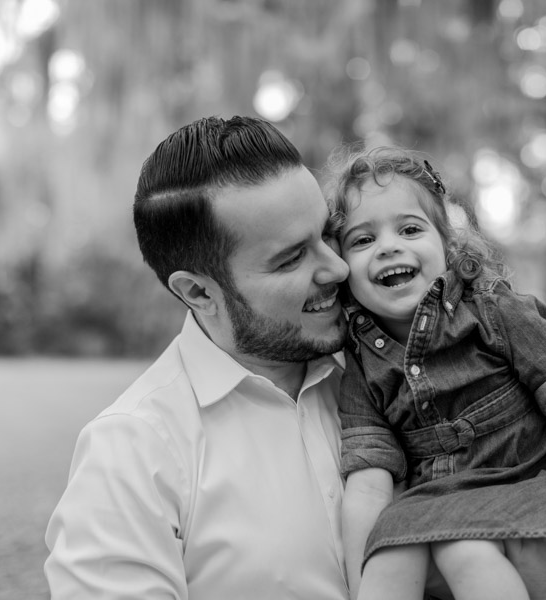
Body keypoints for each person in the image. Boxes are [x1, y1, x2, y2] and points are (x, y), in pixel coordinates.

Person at [44, 116, 353, 599]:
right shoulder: (134, 450)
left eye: (328, 233)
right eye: (292, 259)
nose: (338, 266)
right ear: (198, 292)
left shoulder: (393, 370)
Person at [323, 146, 546, 600]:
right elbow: (369, 482)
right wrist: (361, 579)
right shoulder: (361, 361)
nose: (389, 246)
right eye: (362, 240)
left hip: (527, 486)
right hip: (436, 503)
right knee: (390, 548)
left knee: (462, 550)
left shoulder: (493, 311)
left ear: (447, 246)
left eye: (410, 228)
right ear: (341, 268)